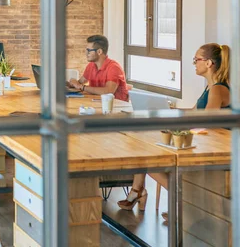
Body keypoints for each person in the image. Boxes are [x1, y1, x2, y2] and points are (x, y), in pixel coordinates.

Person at [118, 43, 231, 219]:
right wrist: (167, 111)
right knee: (144, 148)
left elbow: (208, 120)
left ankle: (182, 199)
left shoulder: (218, 89)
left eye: (196, 60)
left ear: (209, 63)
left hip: (214, 146)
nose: (194, 63)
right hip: (203, 140)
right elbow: (194, 112)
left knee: (146, 158)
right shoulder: (210, 88)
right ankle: (140, 190)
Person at [68, 35, 129, 102]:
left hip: (117, 107)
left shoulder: (114, 68)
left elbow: (108, 92)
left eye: (89, 50)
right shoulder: (91, 65)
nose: (86, 53)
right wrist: (71, 83)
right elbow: (80, 82)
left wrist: (81, 87)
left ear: (99, 52)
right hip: (98, 104)